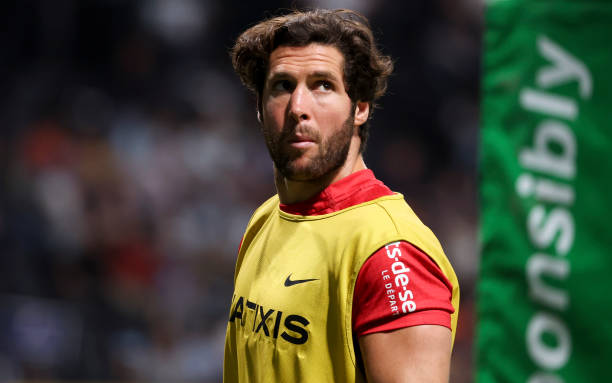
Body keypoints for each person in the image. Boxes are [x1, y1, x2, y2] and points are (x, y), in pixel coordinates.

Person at [224, 8, 459, 383]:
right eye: (282, 86)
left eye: (322, 85)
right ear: (259, 108)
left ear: (360, 107)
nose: (298, 108)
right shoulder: (265, 219)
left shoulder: (389, 251)